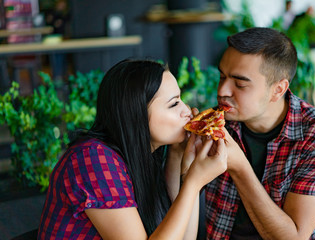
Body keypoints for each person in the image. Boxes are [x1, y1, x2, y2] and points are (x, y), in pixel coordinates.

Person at [38, 59, 228, 239]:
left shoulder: (145, 156)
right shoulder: (93, 159)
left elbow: (183, 237)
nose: (187, 111)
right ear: (136, 114)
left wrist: (182, 162)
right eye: (174, 103)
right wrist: (193, 182)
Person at [206, 27, 315, 239]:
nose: (222, 91)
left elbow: (294, 237)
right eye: (222, 76)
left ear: (278, 90)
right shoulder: (216, 123)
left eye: (240, 84)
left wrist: (239, 167)